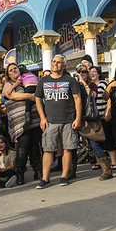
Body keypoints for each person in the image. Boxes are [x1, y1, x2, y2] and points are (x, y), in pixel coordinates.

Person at [35, 54, 82, 188]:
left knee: (67, 149)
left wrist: (78, 118)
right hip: (50, 121)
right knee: (48, 150)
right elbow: (38, 99)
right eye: (54, 61)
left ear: (64, 65)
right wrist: (42, 118)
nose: (55, 64)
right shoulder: (43, 81)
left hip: (68, 120)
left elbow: (77, 99)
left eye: (59, 62)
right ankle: (45, 178)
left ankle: (64, 176)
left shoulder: (70, 80)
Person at [2, 63, 40, 185]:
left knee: (34, 145)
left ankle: (38, 170)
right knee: (23, 146)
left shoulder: (26, 79)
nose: (14, 70)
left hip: (34, 118)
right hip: (20, 121)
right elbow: (11, 95)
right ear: (8, 74)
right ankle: (20, 173)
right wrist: (29, 96)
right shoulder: (8, 84)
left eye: (15, 68)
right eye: (11, 70)